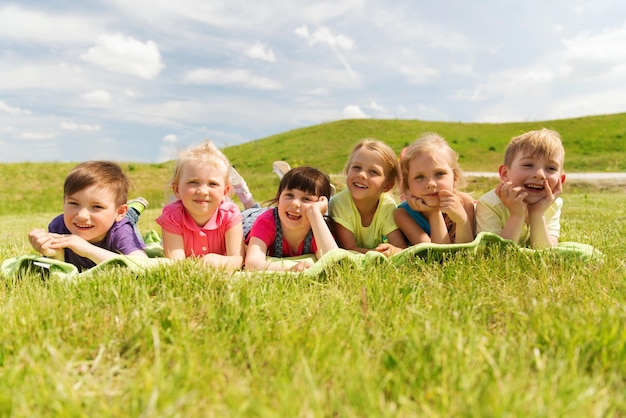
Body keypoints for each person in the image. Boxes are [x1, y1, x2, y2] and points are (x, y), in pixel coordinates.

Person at [28, 161, 148, 271]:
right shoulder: (58, 227)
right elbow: (59, 272)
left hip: (121, 220)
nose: (82, 215)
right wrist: (54, 254)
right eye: (74, 203)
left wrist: (87, 249)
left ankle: (133, 209)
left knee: (130, 218)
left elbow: (143, 265)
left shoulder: (121, 230)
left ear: (120, 212)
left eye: (97, 207)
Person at [156, 140, 244, 271]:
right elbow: (176, 264)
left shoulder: (229, 214)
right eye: (193, 182)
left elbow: (237, 259)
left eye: (212, 184)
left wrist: (217, 261)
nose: (203, 191)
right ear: (176, 189)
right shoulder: (172, 215)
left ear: (225, 192)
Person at [475, 128, 566, 248]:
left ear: (561, 179)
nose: (540, 175)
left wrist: (537, 213)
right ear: (505, 174)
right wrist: (516, 215)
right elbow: (495, 253)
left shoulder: (553, 204)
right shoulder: (490, 203)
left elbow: (546, 251)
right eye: (528, 165)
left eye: (551, 168)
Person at [244, 166, 338, 272]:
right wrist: (289, 269)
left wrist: (316, 213)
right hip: (250, 220)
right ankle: (244, 195)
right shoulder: (267, 222)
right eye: (289, 195)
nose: (294, 203)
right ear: (278, 198)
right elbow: (251, 263)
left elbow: (334, 262)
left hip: (285, 213)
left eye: (306, 199)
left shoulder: (317, 227)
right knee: (252, 211)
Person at [329, 138, 406, 256]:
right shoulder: (339, 203)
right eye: (356, 167)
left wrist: (393, 250)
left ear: (387, 185)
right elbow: (348, 248)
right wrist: (377, 254)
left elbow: (400, 245)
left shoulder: (387, 206)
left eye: (373, 172)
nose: (361, 175)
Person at [395, 133, 475, 244]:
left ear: (454, 179)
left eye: (439, 174)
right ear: (408, 186)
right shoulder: (404, 214)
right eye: (420, 177)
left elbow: (465, 254)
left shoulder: (465, 203)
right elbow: (437, 255)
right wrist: (434, 213)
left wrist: (462, 221)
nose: (431, 184)